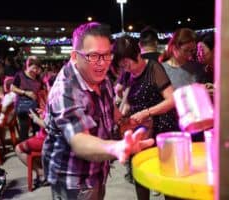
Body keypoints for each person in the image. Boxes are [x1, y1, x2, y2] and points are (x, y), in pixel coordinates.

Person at [42, 22, 154, 200]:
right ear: (74, 56)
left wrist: (128, 123)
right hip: (73, 179)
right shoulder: (65, 89)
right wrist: (116, 147)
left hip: (98, 171)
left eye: (107, 55)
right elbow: (78, 140)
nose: (102, 64)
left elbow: (112, 112)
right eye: (94, 56)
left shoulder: (102, 78)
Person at [112, 35, 180, 200]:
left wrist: (146, 112)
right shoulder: (129, 75)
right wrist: (122, 115)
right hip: (141, 131)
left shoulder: (153, 68)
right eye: (122, 65)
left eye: (127, 63)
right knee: (140, 178)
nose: (126, 68)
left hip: (162, 129)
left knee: (168, 182)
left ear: (137, 53)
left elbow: (172, 100)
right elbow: (129, 102)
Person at [11, 56, 43, 142]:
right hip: (22, 105)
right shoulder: (20, 75)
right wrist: (25, 92)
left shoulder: (38, 78)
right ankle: (23, 148)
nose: (35, 71)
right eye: (33, 68)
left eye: (37, 68)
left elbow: (41, 91)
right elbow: (13, 88)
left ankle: (36, 145)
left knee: (37, 126)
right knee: (24, 128)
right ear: (28, 65)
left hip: (34, 105)